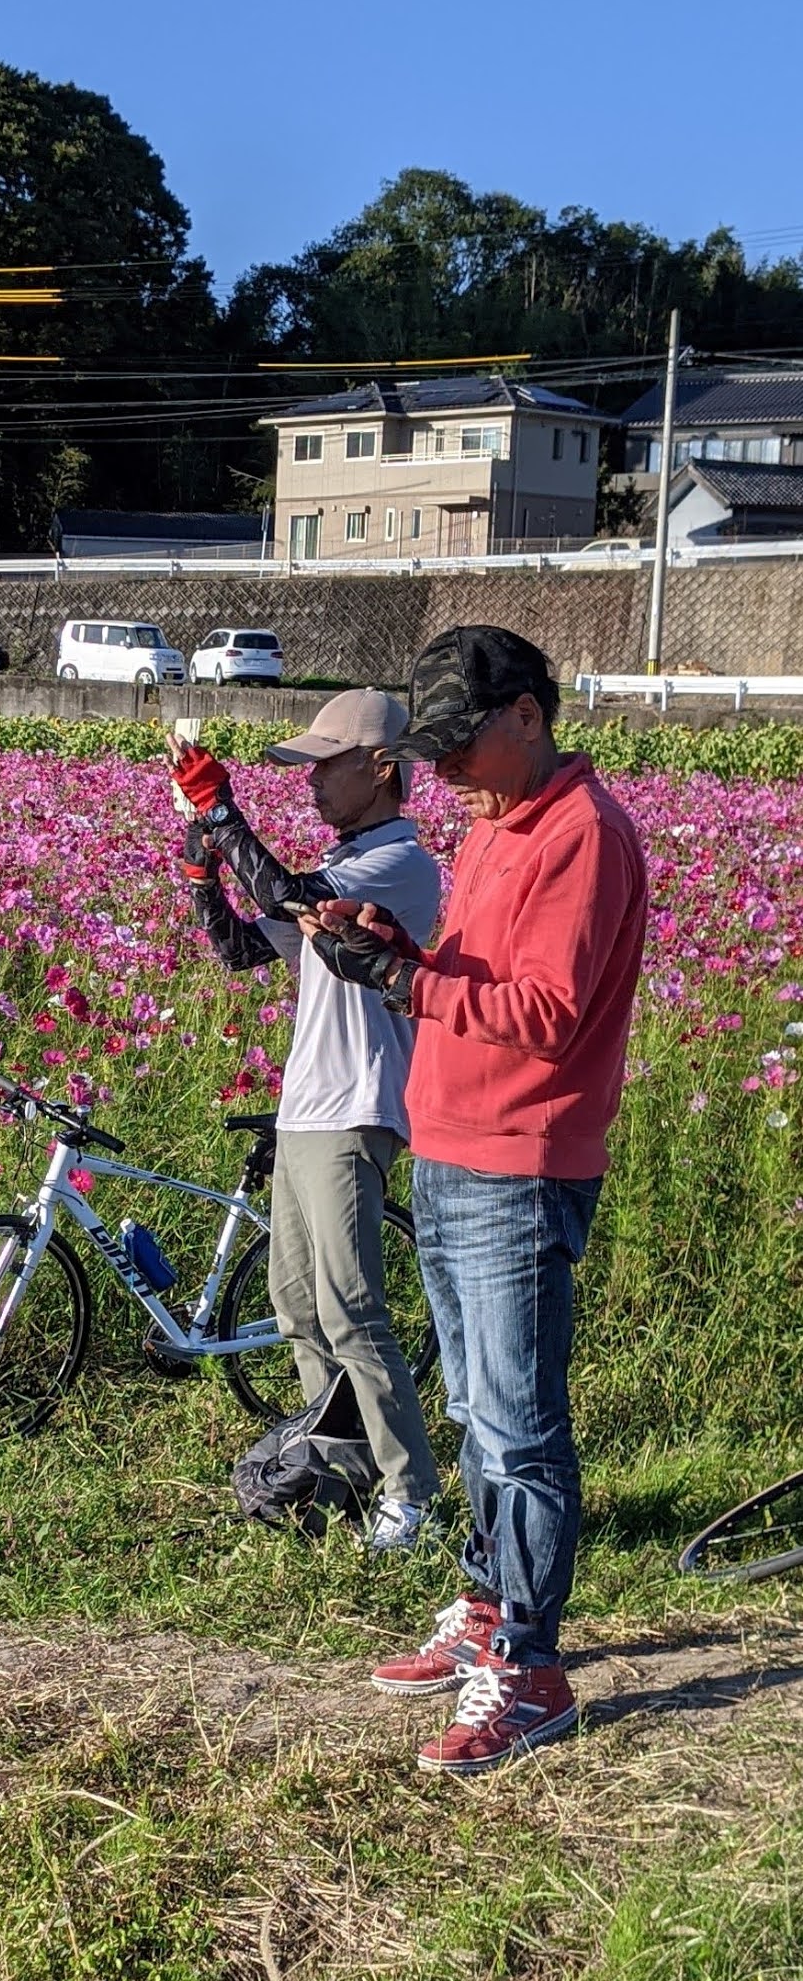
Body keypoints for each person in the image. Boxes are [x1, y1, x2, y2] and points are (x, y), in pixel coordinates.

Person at [298, 626, 648, 1774]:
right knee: (473, 1408)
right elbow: (478, 976)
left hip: (519, 1156)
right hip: (452, 1143)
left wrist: (404, 978)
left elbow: (544, 1011)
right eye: (432, 747)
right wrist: (394, 943)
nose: (440, 767)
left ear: (526, 716)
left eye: (458, 742)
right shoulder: (498, 821)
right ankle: (489, 1608)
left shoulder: (581, 833)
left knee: (517, 1423)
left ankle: (531, 1665)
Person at [169, 690, 443, 1550]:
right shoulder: (342, 862)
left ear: (383, 769)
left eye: (328, 764)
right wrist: (202, 867)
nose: (312, 780)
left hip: (356, 1106)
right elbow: (238, 948)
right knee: (295, 1307)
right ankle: (338, 1474)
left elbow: (286, 892)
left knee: (350, 1309)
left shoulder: (397, 864)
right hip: (305, 1109)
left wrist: (221, 811)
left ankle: (411, 1493)